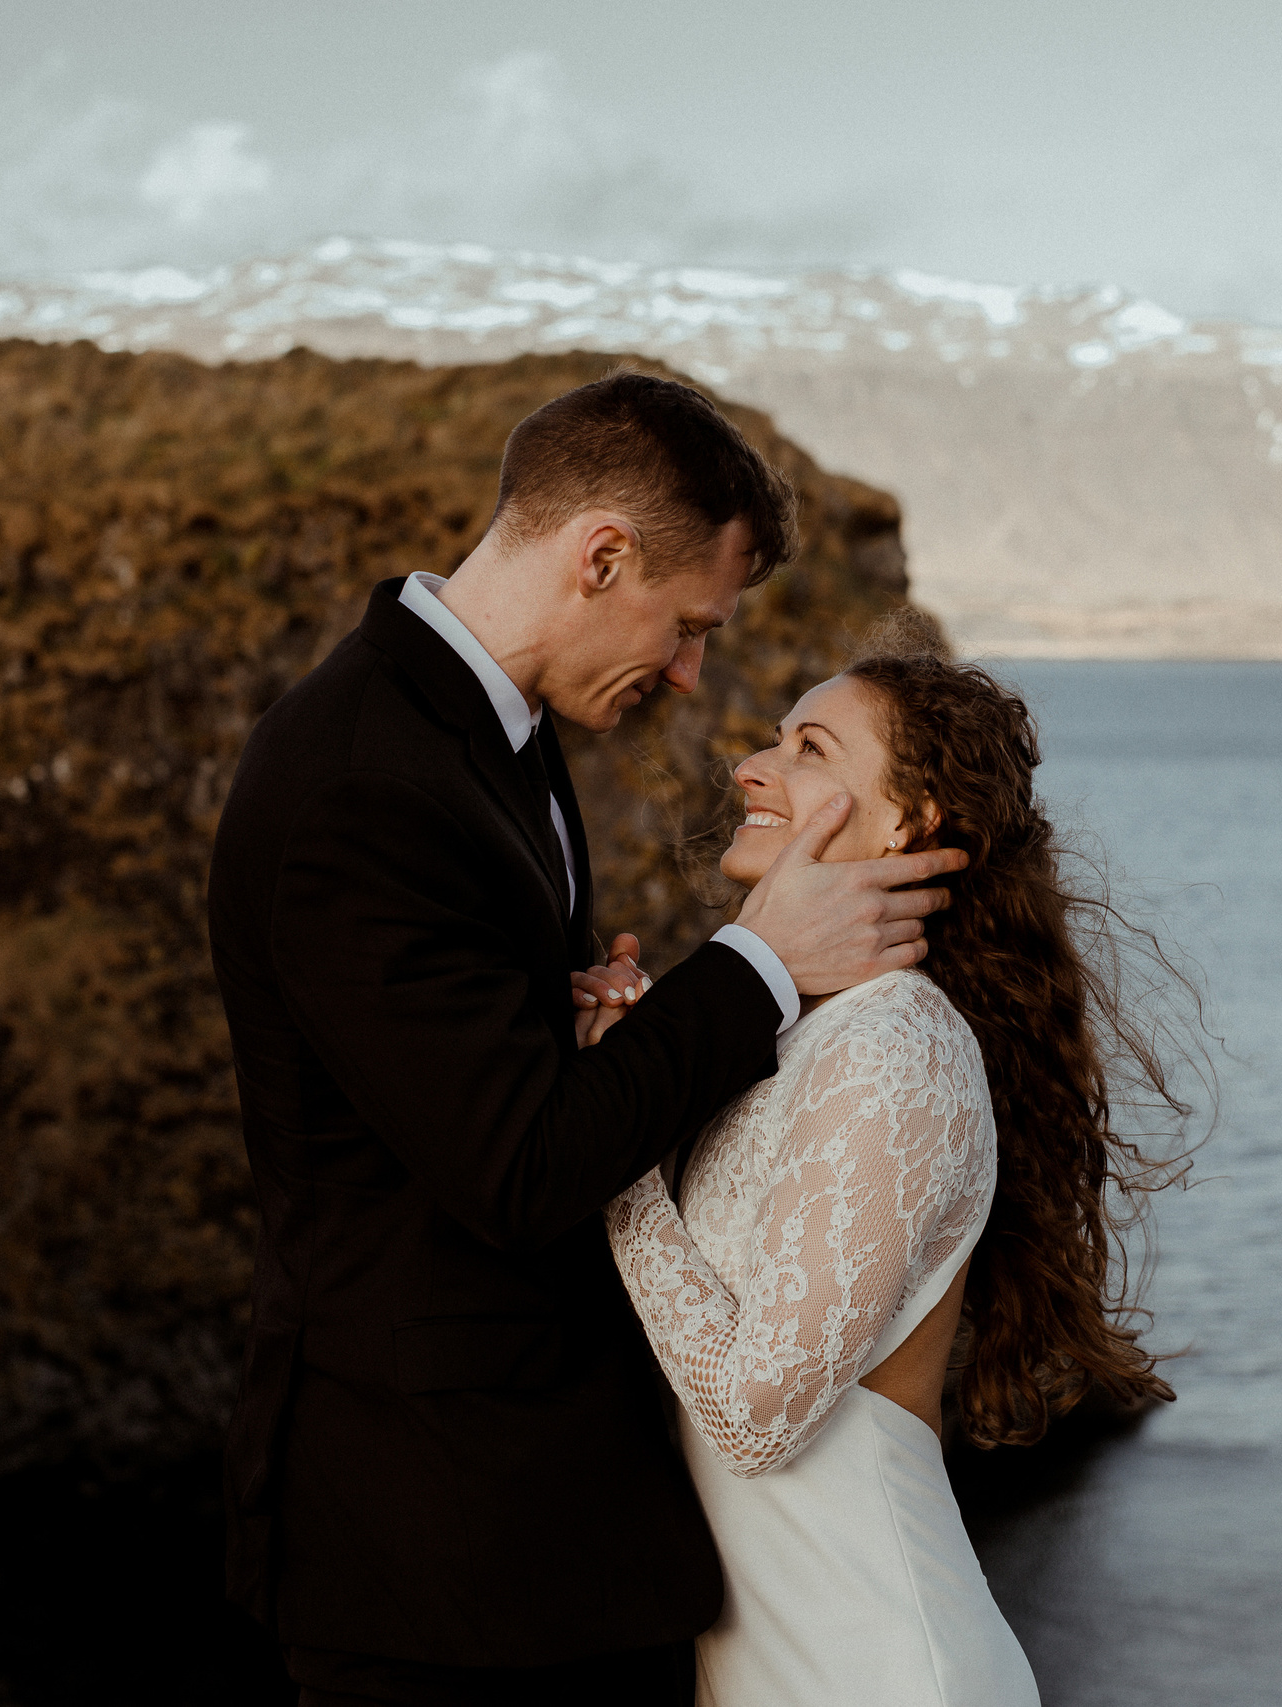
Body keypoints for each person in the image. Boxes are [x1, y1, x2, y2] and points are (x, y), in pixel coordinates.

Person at [206, 371, 969, 1707]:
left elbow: (468, 1079)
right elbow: (514, 1169)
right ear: (600, 552)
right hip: (437, 1553)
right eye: (685, 625)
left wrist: (576, 1031)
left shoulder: (502, 735)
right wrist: (759, 964)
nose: (687, 673)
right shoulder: (357, 780)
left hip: (547, 1533)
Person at [600, 646, 1193, 1707]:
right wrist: (638, 1070)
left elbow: (752, 1415)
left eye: (808, 748)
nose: (750, 765)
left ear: (906, 824)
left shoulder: (900, 1043)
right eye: (773, 739)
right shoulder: (799, 1038)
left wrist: (616, 1160)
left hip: (876, 1666)